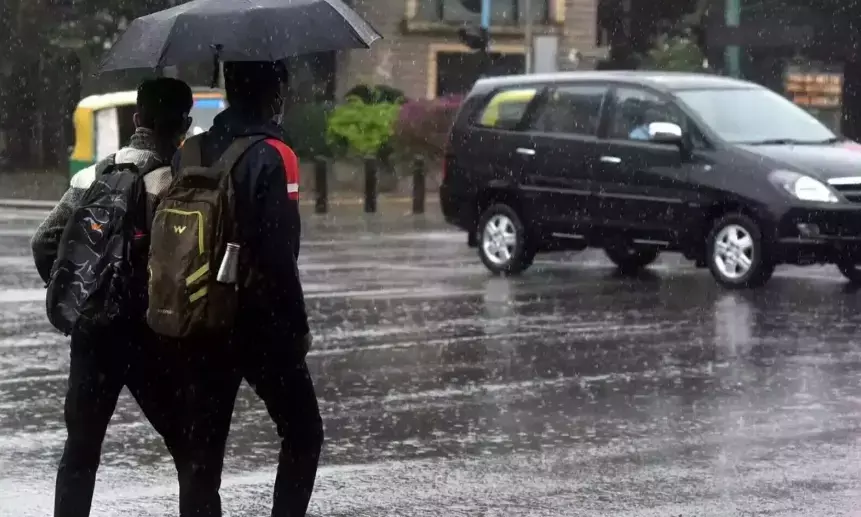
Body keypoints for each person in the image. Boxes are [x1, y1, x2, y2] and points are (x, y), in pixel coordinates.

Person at [30, 78, 193, 517]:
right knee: (190, 448)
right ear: (184, 126)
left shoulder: (91, 176)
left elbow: (44, 241)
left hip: (93, 333)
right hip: (149, 335)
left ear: (137, 118)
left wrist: (79, 293)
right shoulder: (176, 185)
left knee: (80, 452)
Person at [172, 60, 322, 517]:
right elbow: (280, 254)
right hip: (258, 322)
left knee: (202, 452)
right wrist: (296, 329)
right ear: (274, 93)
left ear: (230, 88)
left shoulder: (190, 151)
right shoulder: (275, 154)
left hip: (197, 315)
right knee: (303, 431)